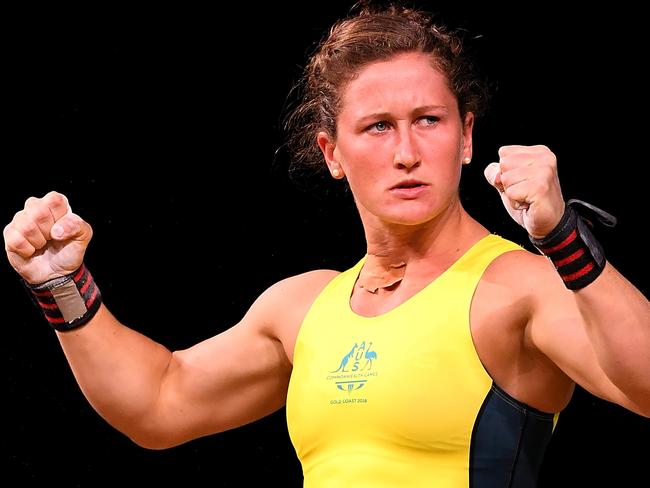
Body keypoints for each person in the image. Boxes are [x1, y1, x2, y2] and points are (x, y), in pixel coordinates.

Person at [4, 3, 649, 487]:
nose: (406, 152)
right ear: (332, 153)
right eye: (377, 127)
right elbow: (159, 402)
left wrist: (563, 240)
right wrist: (59, 284)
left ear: (467, 137)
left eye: (429, 120)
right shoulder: (302, 307)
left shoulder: (518, 287)